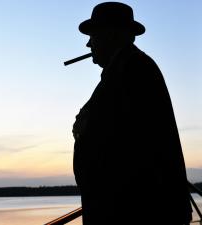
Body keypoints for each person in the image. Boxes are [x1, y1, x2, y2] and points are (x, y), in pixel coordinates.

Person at [72, 2, 192, 225]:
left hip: (134, 211)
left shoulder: (134, 70)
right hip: (124, 207)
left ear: (112, 35)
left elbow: (127, 144)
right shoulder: (123, 69)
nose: (88, 44)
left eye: (93, 35)